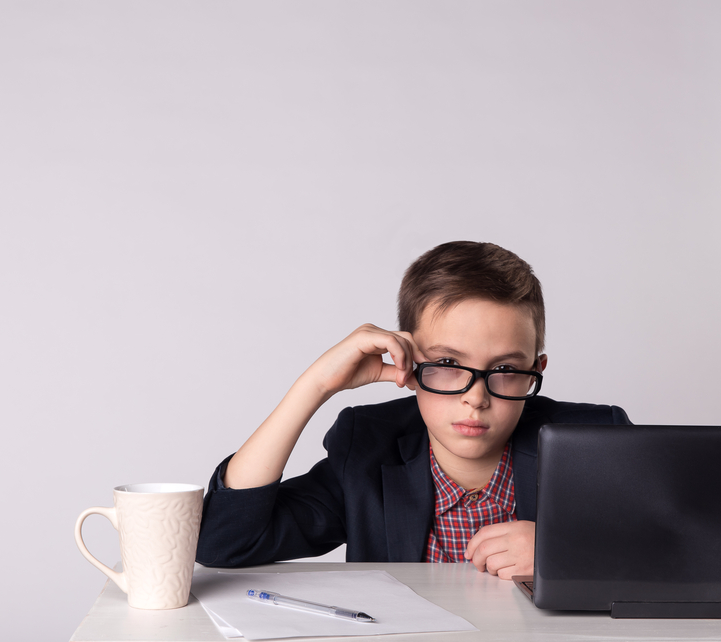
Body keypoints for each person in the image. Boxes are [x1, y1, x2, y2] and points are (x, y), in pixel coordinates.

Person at [196, 241, 630, 579]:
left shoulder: (595, 439)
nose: (475, 398)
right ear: (407, 361)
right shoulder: (368, 447)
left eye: (505, 369)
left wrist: (566, 550)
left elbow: (688, 546)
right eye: (446, 366)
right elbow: (224, 542)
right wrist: (316, 385)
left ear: (537, 369)